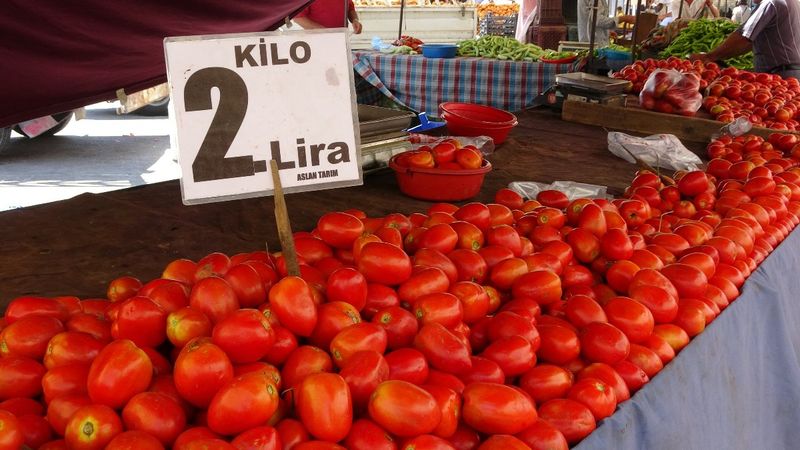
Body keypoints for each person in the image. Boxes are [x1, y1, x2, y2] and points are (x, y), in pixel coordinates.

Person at [691, 0, 800, 79]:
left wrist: (709, 57)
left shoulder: (770, 3)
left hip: (781, 75)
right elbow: (749, 42)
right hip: (791, 73)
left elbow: (743, 38)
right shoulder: (793, 2)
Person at [293, 0, 362, 34]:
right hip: (317, 41)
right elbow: (298, 18)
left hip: (341, 40)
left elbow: (350, 8)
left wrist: (355, 20)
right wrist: (325, 31)